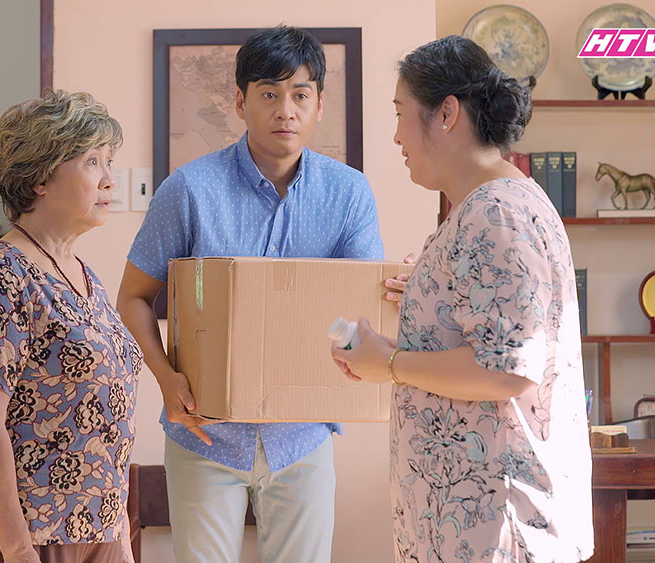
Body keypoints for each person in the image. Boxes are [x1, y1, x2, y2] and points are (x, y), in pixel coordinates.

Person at [117, 25, 383, 563]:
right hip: (205, 435)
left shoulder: (349, 193)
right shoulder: (189, 188)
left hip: (302, 435)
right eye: (269, 94)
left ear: (319, 105)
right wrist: (166, 378)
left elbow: (359, 308)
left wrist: (395, 296)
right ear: (240, 103)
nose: (286, 110)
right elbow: (133, 298)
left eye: (300, 95)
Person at [331, 36, 594, 562]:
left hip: (494, 523)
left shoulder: (495, 212)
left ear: (447, 113)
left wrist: (392, 364)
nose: (396, 135)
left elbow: (507, 370)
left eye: (401, 114)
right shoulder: (494, 204)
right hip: (475, 516)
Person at [0, 89, 143, 563]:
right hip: (27, 535)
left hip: (98, 528)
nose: (109, 179)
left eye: (109, 161)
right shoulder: (1, 277)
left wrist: (119, 533)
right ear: (39, 178)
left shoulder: (82, 274)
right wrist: (17, 548)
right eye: (92, 162)